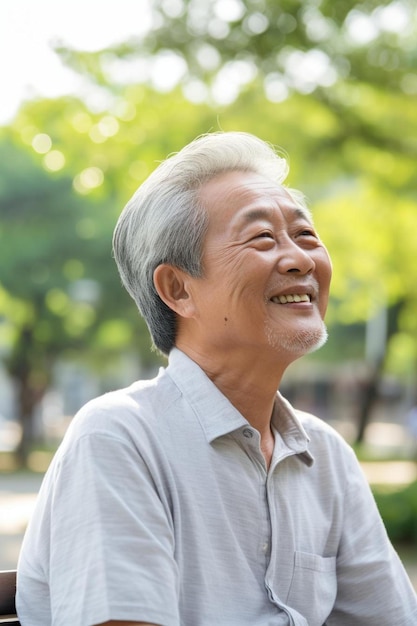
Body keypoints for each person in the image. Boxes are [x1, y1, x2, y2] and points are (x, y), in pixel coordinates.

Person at [17, 131, 417, 626]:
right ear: (178, 289)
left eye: (306, 235)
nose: (300, 259)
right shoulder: (119, 437)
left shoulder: (325, 454)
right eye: (263, 238)